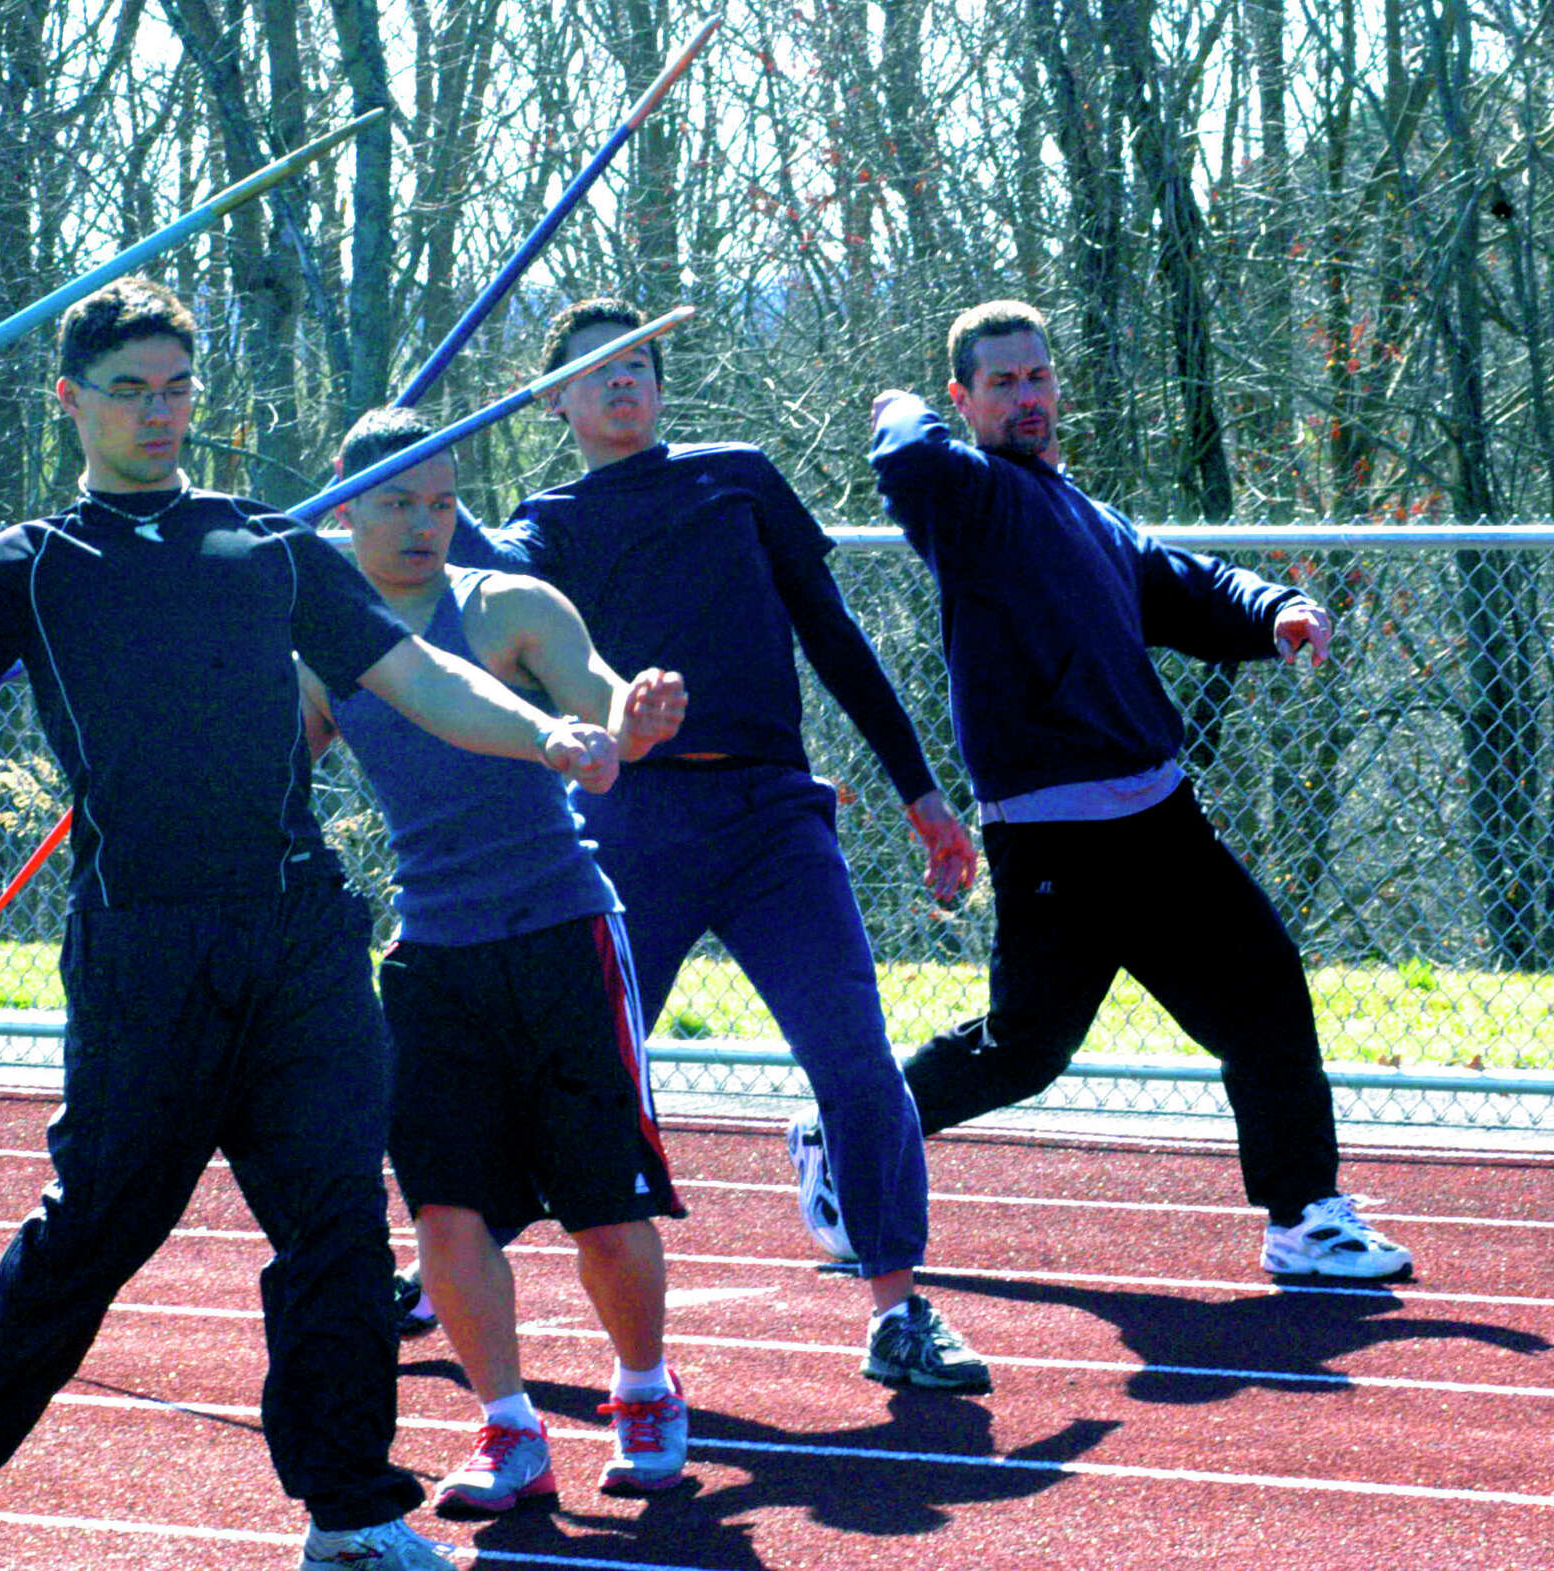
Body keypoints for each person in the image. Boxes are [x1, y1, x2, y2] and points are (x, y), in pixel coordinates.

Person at [0, 277, 631, 1571]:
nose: (158, 412)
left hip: (299, 935)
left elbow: (421, 676)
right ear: (70, 400)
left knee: (336, 1227)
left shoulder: (273, 544)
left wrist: (547, 732)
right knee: (95, 1231)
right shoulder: (39, 566)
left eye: (177, 388)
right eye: (130, 389)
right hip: (146, 950)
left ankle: (351, 1511)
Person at [446, 297, 992, 1394]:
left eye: (640, 362)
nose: (625, 380)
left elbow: (832, 633)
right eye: (598, 368)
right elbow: (482, 585)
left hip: (771, 819)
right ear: (554, 401)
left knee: (856, 1056)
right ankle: (444, 1261)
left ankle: (897, 1307)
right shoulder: (546, 522)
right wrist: (412, 482)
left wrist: (922, 791)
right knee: (577, 1065)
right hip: (631, 823)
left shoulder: (738, 476)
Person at [867, 298, 1413, 1282]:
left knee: (1266, 992)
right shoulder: (972, 500)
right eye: (1002, 382)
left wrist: (1277, 609)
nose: (1028, 396)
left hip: (1159, 822)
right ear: (965, 398)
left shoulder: (1093, 518)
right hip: (1056, 841)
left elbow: (1190, 585)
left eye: (1039, 375)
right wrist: (898, 403)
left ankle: (1304, 1219)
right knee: (1024, 1052)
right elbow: (907, 457)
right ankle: (851, 1131)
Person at [300, 406, 692, 1514]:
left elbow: (603, 709)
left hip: (563, 931)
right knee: (445, 1212)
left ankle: (646, 1388)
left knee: (603, 1207)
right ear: (345, 508)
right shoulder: (324, 645)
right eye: (398, 503)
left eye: (442, 500)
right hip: (433, 952)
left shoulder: (509, 605)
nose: (425, 523)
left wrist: (636, 718)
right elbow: (267, 776)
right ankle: (510, 1426)